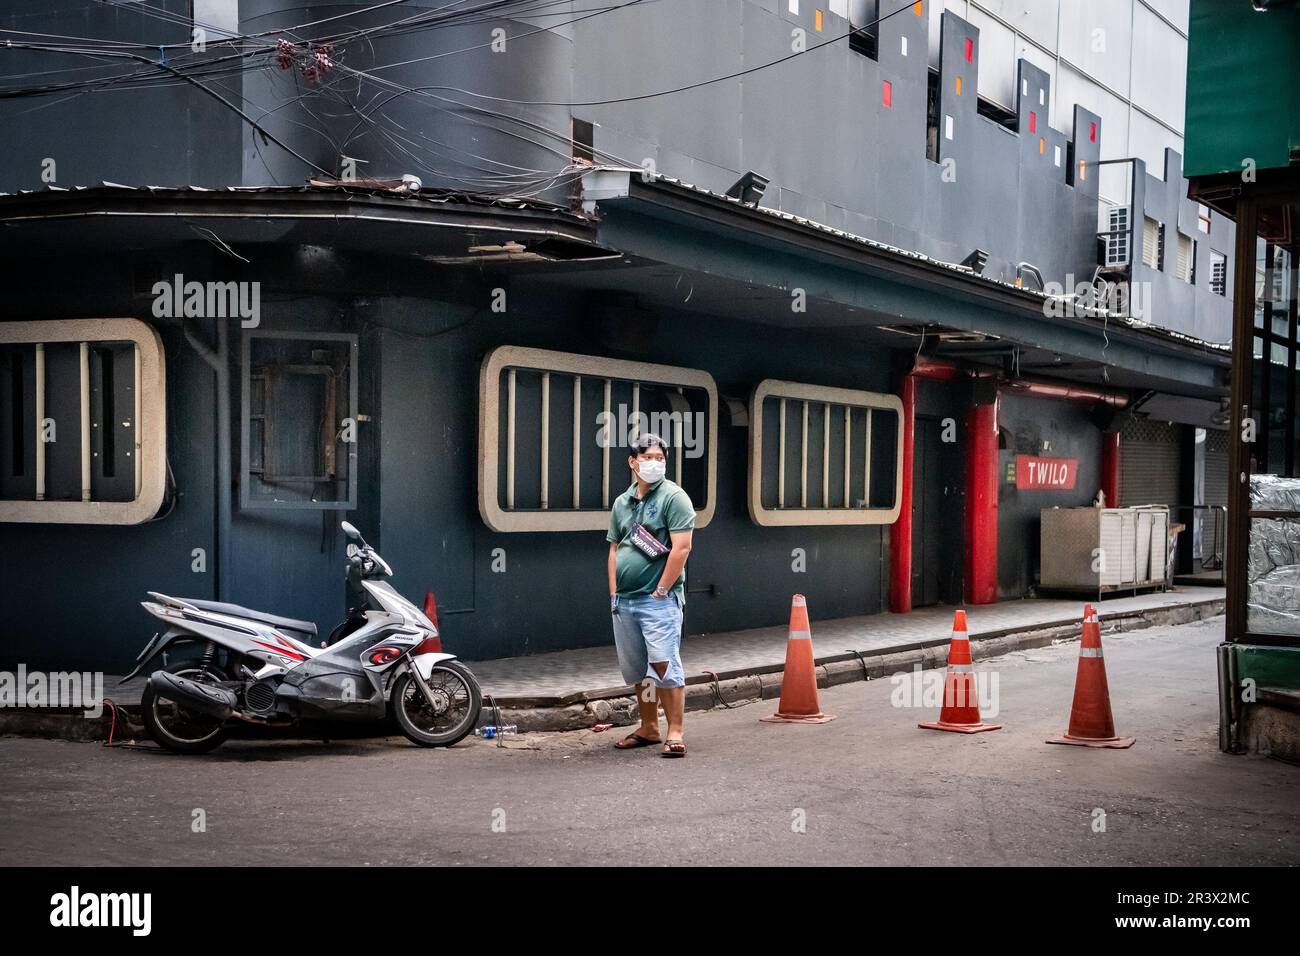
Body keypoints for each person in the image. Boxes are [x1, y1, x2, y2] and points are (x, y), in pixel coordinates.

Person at [606, 432, 695, 757]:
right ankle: (649, 727)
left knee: (663, 665)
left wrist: (662, 589)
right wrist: (614, 592)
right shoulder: (622, 503)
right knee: (639, 669)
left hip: (659, 601)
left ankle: (675, 730)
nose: (654, 463)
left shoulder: (674, 497)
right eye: (647, 457)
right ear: (632, 462)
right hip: (625, 602)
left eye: (660, 458)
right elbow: (615, 549)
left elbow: (682, 547)